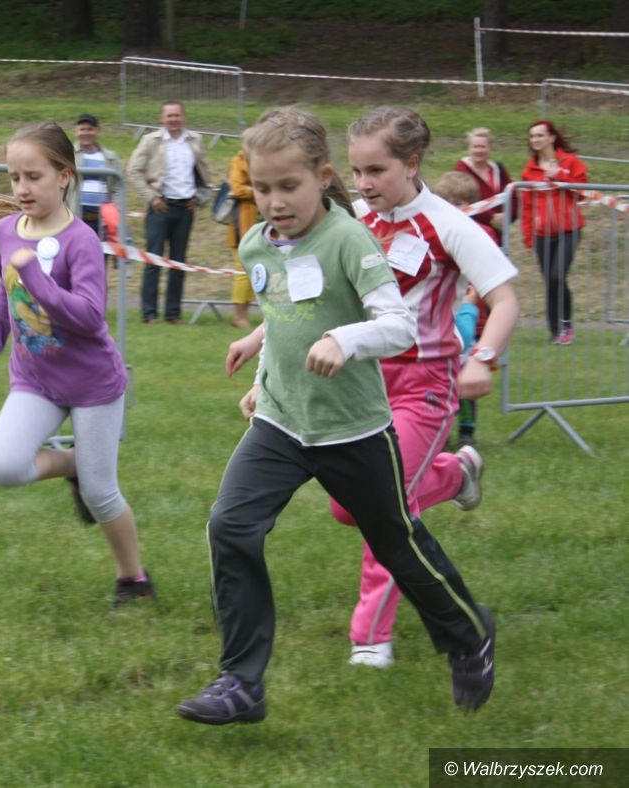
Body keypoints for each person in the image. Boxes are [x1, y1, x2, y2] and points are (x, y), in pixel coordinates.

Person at [176, 106, 498, 726]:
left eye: (288, 185)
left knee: (396, 541)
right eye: (262, 187)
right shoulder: (256, 244)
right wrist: (262, 376)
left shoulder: (350, 238)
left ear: (323, 178)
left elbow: (398, 326)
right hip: (280, 423)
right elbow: (288, 318)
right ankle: (240, 682)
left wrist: (345, 341)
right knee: (230, 526)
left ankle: (468, 635)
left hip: (353, 429)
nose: (275, 201)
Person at [330, 107, 519, 670]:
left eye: (376, 170)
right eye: (356, 171)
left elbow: (506, 299)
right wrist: (260, 339)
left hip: (425, 388)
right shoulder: (355, 221)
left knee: (383, 507)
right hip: (363, 386)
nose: (363, 183)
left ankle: (371, 637)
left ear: (411, 164)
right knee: (346, 509)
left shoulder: (449, 224)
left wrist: (483, 358)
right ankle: (457, 474)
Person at [0, 121, 155, 609]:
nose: (22, 188)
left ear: (64, 176)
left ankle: (133, 579)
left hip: (93, 384)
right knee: (3, 467)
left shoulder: (81, 240)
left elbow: (89, 317)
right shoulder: (7, 231)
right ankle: (73, 464)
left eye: (34, 177)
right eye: (15, 178)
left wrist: (37, 277)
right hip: (36, 381)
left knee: (101, 493)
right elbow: (6, 294)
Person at [127, 100, 211, 324]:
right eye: (169, 116)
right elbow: (133, 171)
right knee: (153, 260)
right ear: (162, 118)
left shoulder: (195, 140)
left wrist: (200, 198)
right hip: (160, 207)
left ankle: (173, 313)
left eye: (177, 115)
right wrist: (152, 197)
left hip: (186, 208)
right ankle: (149, 313)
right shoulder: (151, 141)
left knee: (178, 262)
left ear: (183, 116)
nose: (173, 119)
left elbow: (205, 173)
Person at [431, 170, 498, 449]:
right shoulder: (433, 232)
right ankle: (440, 429)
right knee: (439, 381)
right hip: (439, 318)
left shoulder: (483, 235)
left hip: (472, 317)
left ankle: (467, 430)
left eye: (459, 203)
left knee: (466, 380)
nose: (453, 209)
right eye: (447, 202)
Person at [521, 120, 587, 345]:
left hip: (569, 230)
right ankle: (555, 331)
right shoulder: (529, 171)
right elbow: (527, 206)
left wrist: (560, 175)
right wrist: (528, 236)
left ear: (551, 137)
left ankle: (566, 325)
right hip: (542, 234)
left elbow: (583, 192)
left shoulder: (570, 162)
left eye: (540, 135)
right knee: (550, 281)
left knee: (558, 276)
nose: (535, 140)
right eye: (532, 136)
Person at [454, 127, 516, 245]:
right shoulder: (462, 170)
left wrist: (507, 217)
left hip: (499, 233)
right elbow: (464, 200)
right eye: (475, 146)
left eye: (483, 146)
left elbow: (512, 195)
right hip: (473, 230)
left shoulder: (498, 169)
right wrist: (491, 218)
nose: (479, 150)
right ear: (469, 148)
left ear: (490, 148)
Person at [66, 113, 122, 239]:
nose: (86, 133)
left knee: (102, 250)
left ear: (97, 131)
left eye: (90, 129)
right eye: (82, 129)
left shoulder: (111, 157)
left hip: (103, 221)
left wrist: (116, 210)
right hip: (76, 217)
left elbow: (118, 187)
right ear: (76, 132)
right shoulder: (67, 155)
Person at [226, 149, 257, 329]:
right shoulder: (238, 160)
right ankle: (238, 316)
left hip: (260, 222)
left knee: (254, 272)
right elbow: (237, 189)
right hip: (242, 223)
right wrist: (258, 191)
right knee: (242, 271)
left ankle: (244, 314)